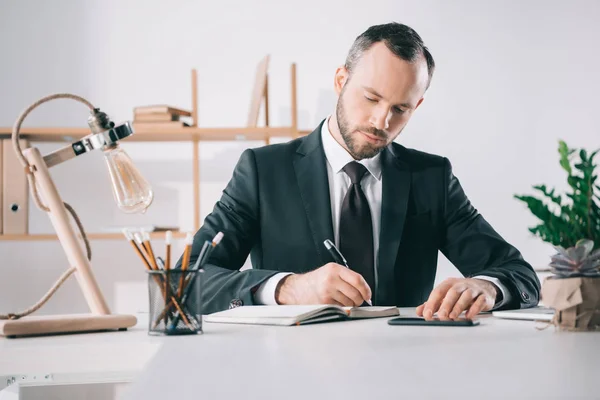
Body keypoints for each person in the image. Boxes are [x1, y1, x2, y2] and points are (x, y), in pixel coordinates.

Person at [178, 22, 540, 320]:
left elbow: (520, 275)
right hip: (291, 376)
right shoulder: (262, 172)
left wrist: (488, 287)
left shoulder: (432, 178)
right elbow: (185, 282)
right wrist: (287, 288)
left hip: (406, 373)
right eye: (371, 98)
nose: (382, 121)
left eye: (401, 108)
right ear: (340, 80)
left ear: (418, 105)